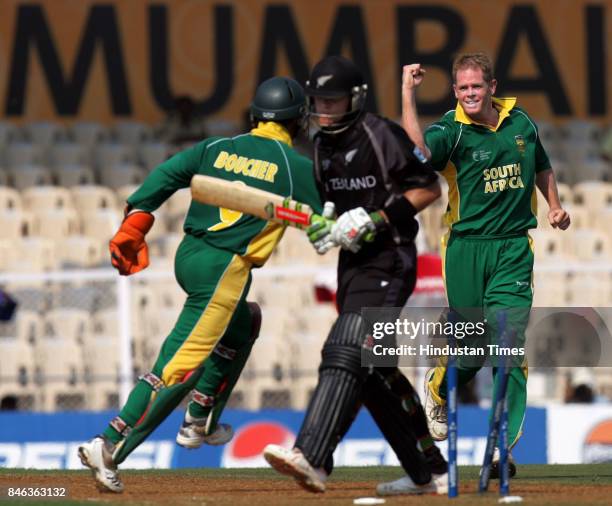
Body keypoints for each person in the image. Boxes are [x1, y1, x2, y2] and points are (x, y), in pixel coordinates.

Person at [77, 76, 324, 493]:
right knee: (178, 367)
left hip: (190, 256)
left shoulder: (215, 148)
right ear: (297, 120)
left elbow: (166, 174)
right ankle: (110, 444)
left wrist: (136, 221)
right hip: (226, 269)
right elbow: (334, 216)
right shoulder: (294, 166)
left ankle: (201, 416)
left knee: (245, 321)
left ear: (254, 116)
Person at [263, 55, 447, 496]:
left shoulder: (381, 134)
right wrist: (328, 228)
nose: (324, 109)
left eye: (332, 100)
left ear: (355, 98)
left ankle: (314, 456)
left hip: (392, 258)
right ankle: (430, 472)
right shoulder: (321, 147)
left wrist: (375, 220)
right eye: (318, 101)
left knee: (348, 346)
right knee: (376, 370)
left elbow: (427, 188)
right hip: (353, 265)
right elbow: (334, 207)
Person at [401, 52, 571, 479]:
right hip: (465, 250)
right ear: (455, 92)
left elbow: (543, 165)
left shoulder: (521, 123)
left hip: (513, 248)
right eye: (462, 89)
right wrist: (407, 93)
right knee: (473, 352)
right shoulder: (451, 131)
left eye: (476, 87)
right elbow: (417, 151)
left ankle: (502, 449)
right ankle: (440, 386)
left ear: (492, 87)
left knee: (510, 347)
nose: (470, 94)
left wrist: (555, 205)